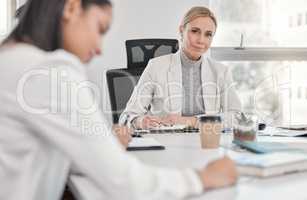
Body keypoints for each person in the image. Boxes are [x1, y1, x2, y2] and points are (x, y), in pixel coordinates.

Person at [0, 1, 237, 199]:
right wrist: (202, 178)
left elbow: (54, 153)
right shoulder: (46, 70)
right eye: (100, 28)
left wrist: (103, 144)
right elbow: (122, 180)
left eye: (209, 34)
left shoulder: (12, 60)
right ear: (71, 8)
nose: (100, 47)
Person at [119, 6, 241, 130]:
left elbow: (237, 117)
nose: (201, 40)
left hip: (207, 142)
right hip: (167, 142)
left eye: (208, 34)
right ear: (181, 30)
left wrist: (192, 121)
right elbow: (127, 116)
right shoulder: (156, 66)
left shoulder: (221, 72)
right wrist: (141, 121)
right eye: (194, 31)